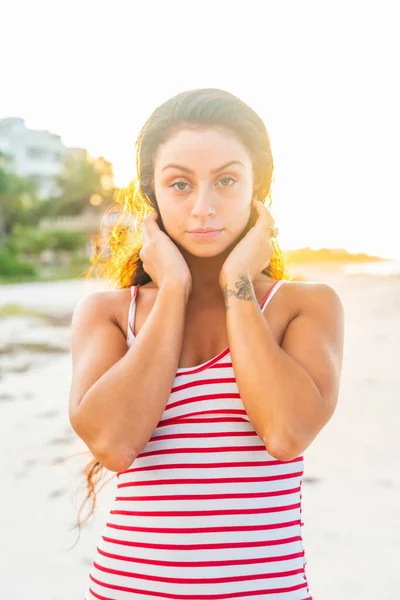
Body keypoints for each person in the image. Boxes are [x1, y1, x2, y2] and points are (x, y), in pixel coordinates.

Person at [69, 88, 344, 599]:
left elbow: (285, 434)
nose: (203, 207)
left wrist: (239, 281)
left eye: (226, 180)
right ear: (152, 194)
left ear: (256, 189)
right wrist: (172, 289)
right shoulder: (108, 315)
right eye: (179, 184)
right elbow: (114, 444)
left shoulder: (305, 306)